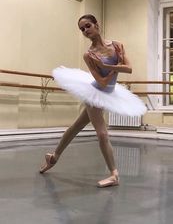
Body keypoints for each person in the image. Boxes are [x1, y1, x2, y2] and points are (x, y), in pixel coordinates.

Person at [39, 14, 146, 187]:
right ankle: (114, 174)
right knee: (102, 133)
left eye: (87, 26)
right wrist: (111, 67)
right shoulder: (89, 55)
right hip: (95, 93)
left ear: (97, 24)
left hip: (108, 93)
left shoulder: (117, 45)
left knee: (76, 127)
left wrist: (108, 67)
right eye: (82, 29)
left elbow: (129, 68)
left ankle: (53, 157)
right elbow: (102, 81)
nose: (85, 31)